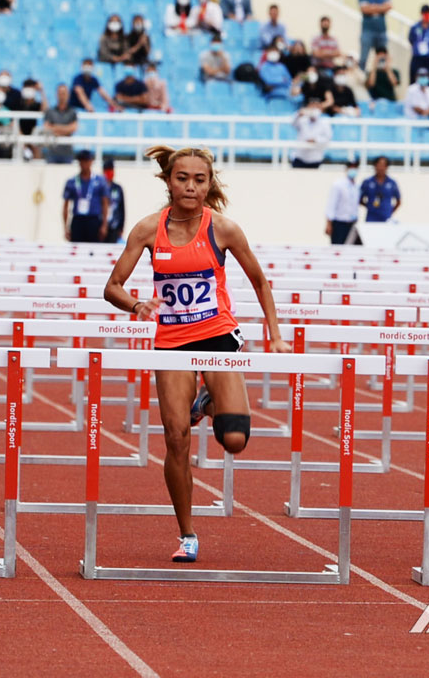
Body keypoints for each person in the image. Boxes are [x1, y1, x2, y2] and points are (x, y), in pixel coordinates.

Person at [102, 145, 292, 562]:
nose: (190, 186)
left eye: (199, 179)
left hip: (218, 334)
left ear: (209, 184)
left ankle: (205, 401)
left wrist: (275, 335)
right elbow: (111, 286)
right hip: (171, 340)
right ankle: (187, 534)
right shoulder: (148, 229)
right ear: (169, 182)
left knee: (236, 439)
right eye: (182, 178)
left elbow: (261, 282)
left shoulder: (223, 228)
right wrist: (137, 305)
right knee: (175, 438)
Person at [63, 150, 109, 242]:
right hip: (78, 220)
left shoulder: (99, 180)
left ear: (91, 161)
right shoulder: (72, 181)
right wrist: (65, 227)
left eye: (86, 160)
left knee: (94, 249)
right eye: (82, 161)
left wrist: (104, 225)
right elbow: (66, 206)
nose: (84, 163)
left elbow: (105, 203)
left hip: (94, 220)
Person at [358, 0, 392, 68]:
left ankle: (379, 80)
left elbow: (388, 7)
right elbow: (365, 9)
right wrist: (380, 8)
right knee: (363, 58)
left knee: (382, 59)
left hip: (381, 32)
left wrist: (372, 7)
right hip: (367, 32)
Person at [324, 159, 361, 244]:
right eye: (351, 167)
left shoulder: (357, 187)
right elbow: (331, 205)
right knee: (338, 247)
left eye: (355, 168)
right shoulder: (338, 185)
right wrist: (329, 224)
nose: (353, 170)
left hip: (353, 224)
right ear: (346, 169)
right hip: (339, 223)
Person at [292, 101, 333, 167]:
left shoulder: (325, 122)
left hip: (315, 158)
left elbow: (328, 138)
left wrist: (315, 140)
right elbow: (293, 124)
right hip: (300, 156)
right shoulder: (302, 120)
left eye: (316, 107)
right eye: (311, 107)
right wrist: (298, 114)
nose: (313, 109)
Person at [360, 156, 401, 223]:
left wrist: (389, 211)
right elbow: (360, 199)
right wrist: (370, 206)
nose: (381, 168)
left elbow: (398, 201)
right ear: (375, 166)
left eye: (383, 165)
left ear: (387, 167)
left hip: (386, 217)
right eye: (379, 165)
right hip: (371, 217)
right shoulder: (367, 182)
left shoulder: (392, 183)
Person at [408, 5, 429, 83]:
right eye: (424, 13)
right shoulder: (415, 27)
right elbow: (411, 40)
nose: (426, 16)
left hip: (428, 58)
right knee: (413, 79)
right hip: (417, 57)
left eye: (427, 14)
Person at [102, 159, 125, 242]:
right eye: (107, 170)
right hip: (101, 226)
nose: (110, 173)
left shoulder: (118, 188)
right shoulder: (100, 187)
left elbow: (122, 209)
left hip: (114, 226)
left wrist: (121, 227)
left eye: (111, 170)